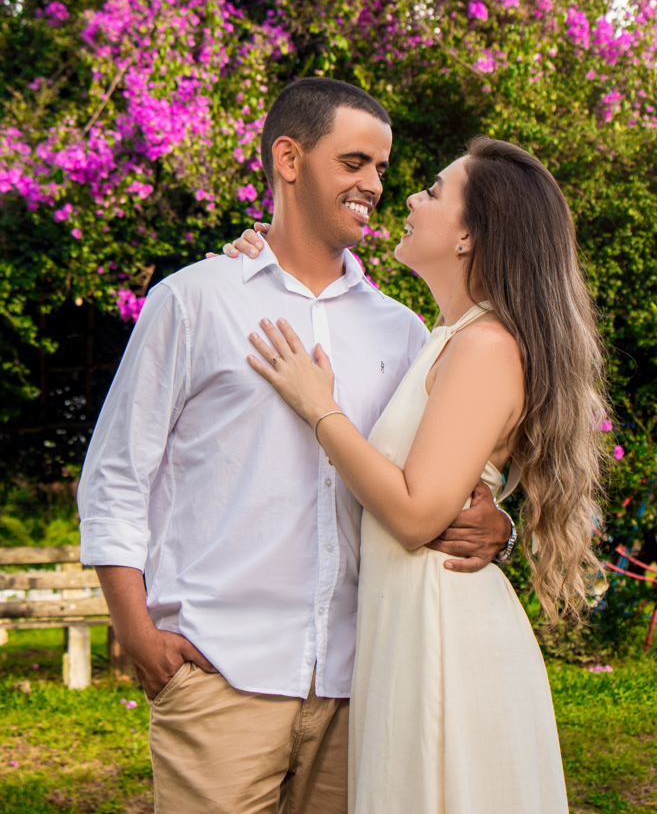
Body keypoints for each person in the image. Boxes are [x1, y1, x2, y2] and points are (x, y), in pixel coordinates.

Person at [77, 78, 512, 814]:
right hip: (219, 679)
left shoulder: (404, 332)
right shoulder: (196, 300)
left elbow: (428, 476)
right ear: (289, 158)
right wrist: (137, 631)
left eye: (381, 167)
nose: (374, 184)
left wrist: (496, 523)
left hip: (362, 684)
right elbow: (116, 475)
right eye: (354, 163)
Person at [232, 136, 608, 814]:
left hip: (443, 635)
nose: (406, 196)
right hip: (408, 623)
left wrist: (320, 407)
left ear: (470, 236)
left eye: (433, 191)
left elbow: (414, 515)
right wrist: (261, 255)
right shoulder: (444, 337)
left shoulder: (487, 345)